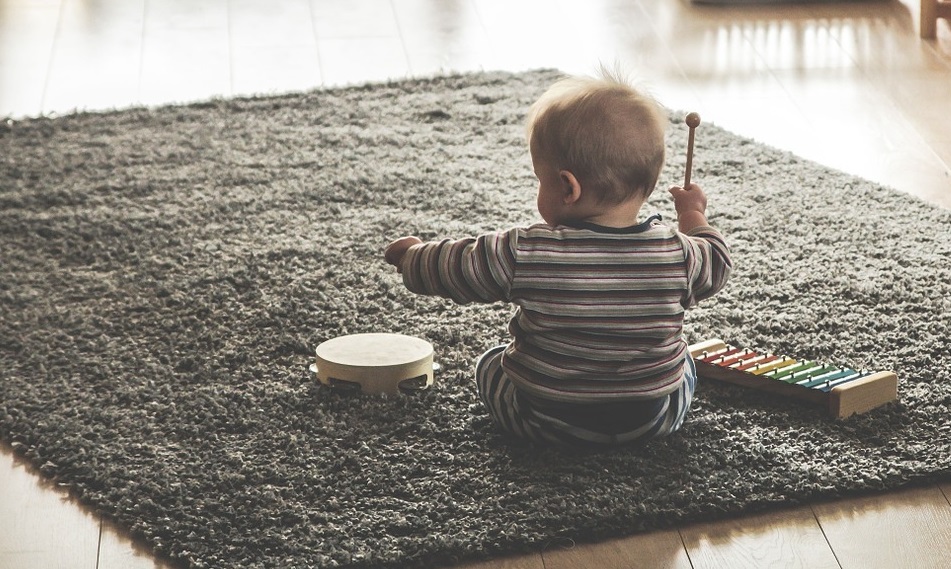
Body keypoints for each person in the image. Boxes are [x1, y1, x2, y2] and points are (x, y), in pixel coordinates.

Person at [384, 68, 732, 448]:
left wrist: (412, 257)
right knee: (686, 366)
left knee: (490, 362)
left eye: (540, 179)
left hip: (545, 421)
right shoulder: (679, 254)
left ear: (568, 187)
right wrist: (692, 214)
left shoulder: (527, 252)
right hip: (650, 421)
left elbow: (457, 265)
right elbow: (717, 261)